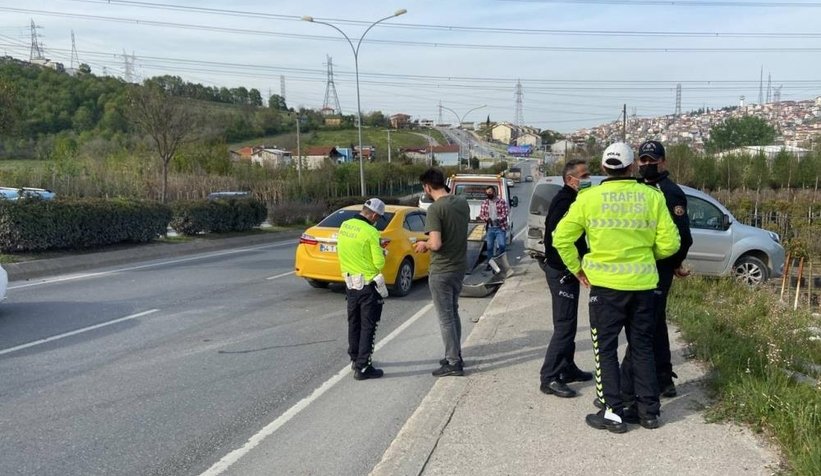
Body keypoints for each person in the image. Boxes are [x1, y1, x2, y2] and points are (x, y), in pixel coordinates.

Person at [553, 142, 680, 433]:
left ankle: (612, 412)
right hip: (644, 285)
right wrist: (648, 256)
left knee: (605, 350)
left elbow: (562, 238)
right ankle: (648, 412)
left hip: (606, 289)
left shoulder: (588, 197)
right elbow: (670, 244)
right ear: (632, 166)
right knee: (643, 347)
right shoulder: (652, 196)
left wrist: (577, 268)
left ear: (602, 168)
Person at [620, 140, 694, 399]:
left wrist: (674, 264)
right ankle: (662, 377)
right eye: (644, 160)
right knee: (654, 323)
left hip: (658, 269)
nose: (648, 164)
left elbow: (683, 237)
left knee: (645, 325)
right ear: (637, 162)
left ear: (664, 161)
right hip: (637, 268)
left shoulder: (670, 192)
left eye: (653, 160)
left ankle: (640, 383)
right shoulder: (637, 188)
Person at [539, 159, 594, 399]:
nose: (588, 178)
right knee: (564, 325)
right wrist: (572, 268)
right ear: (570, 179)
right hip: (562, 271)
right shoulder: (564, 202)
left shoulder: (573, 200)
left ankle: (567, 367)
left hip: (567, 269)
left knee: (569, 323)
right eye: (584, 175)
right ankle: (549, 377)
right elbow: (556, 240)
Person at [414, 168, 471, 377]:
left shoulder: (435, 209)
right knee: (453, 312)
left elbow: (436, 243)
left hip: (442, 270)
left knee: (445, 317)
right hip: (459, 266)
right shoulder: (461, 202)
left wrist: (424, 244)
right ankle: (455, 353)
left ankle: (453, 362)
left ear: (427, 187)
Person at [337, 198, 389, 381]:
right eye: (378, 218)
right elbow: (379, 263)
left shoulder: (345, 225)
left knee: (354, 323)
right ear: (374, 215)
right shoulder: (371, 232)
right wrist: (382, 252)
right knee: (369, 326)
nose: (377, 221)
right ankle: (363, 366)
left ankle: (354, 358)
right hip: (368, 285)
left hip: (350, 282)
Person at [477, 185, 509, 270]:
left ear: (494, 192)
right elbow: (481, 215)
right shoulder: (485, 203)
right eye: (487, 193)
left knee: (502, 246)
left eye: (490, 192)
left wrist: (498, 219)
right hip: (490, 228)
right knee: (489, 247)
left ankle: (502, 264)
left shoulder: (501, 202)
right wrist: (487, 219)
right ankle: (490, 264)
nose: (488, 194)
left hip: (500, 228)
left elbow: (505, 213)